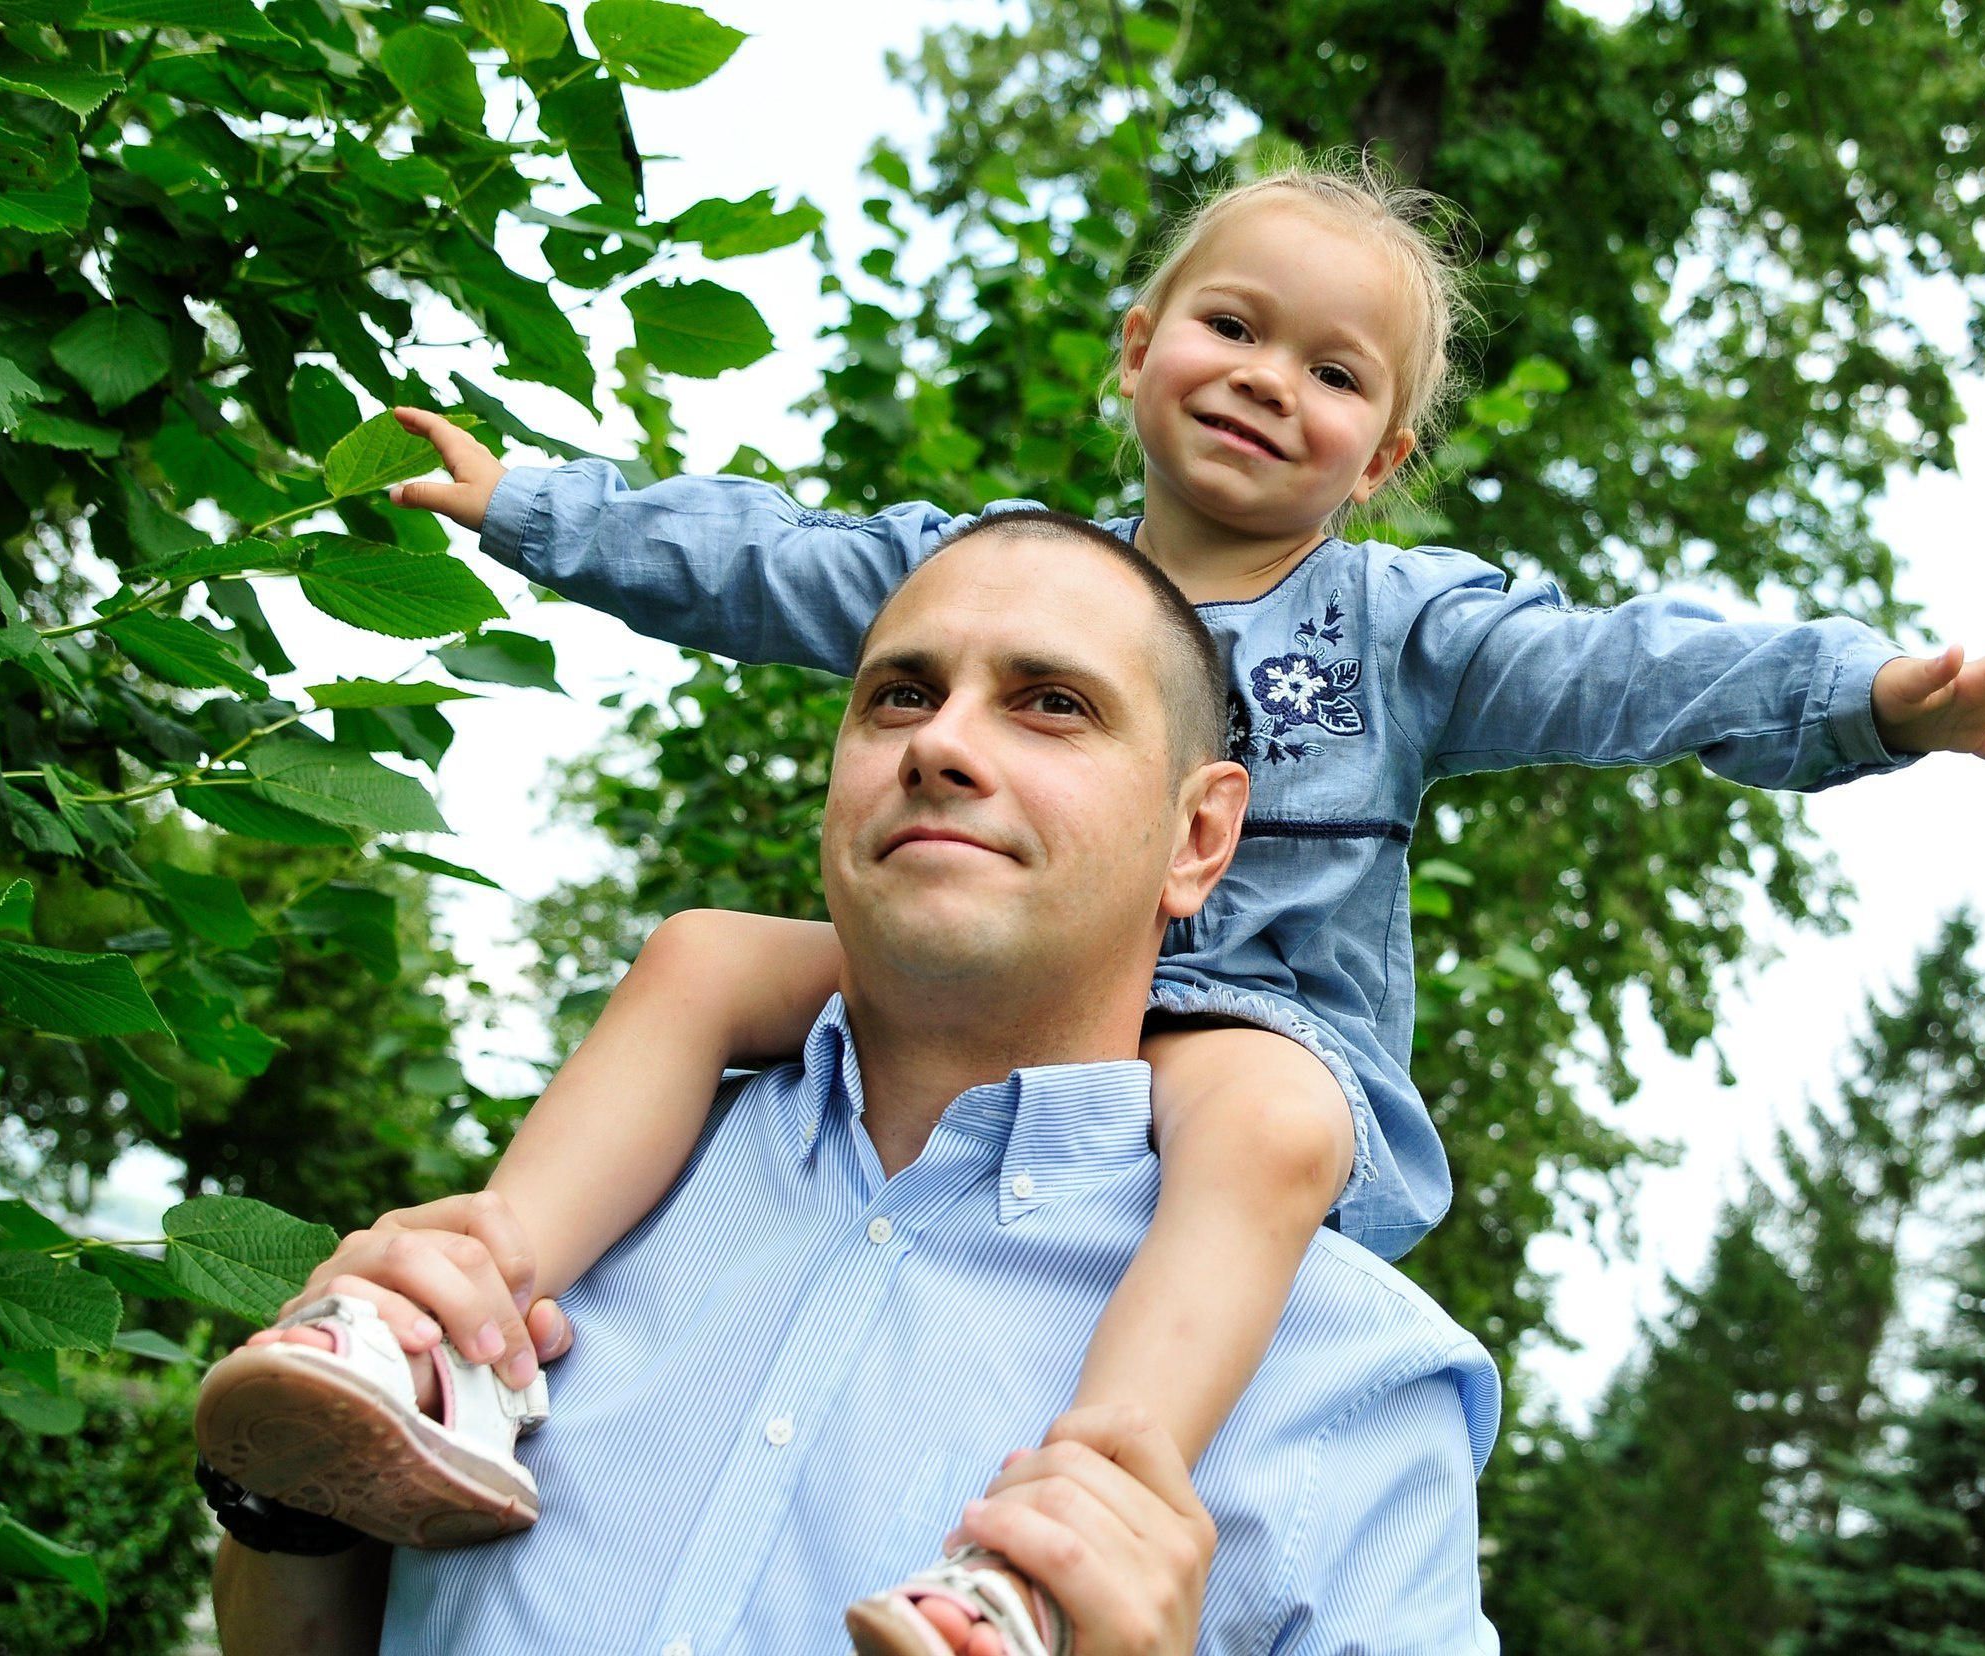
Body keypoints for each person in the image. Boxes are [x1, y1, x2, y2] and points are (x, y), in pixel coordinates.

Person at [201, 156, 1985, 1649]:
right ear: (1136, 346)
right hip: (1009, 983)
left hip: (1263, 1035)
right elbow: (768, 559)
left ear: (1391, 453)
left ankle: (1080, 1509)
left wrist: (1868, 702)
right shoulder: (991, 571)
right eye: (1231, 327)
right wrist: (539, 508)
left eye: (1336, 371)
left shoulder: (1407, 630)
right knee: (705, 954)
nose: (1270, 382)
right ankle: (448, 1321)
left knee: (1263, 1107)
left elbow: (1622, 672)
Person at [210, 512, 1503, 1654]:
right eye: (898, 695)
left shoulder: (1354, 1392)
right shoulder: (572, 1210)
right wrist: (288, 1508)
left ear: (1200, 834)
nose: (940, 743)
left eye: (1050, 701)